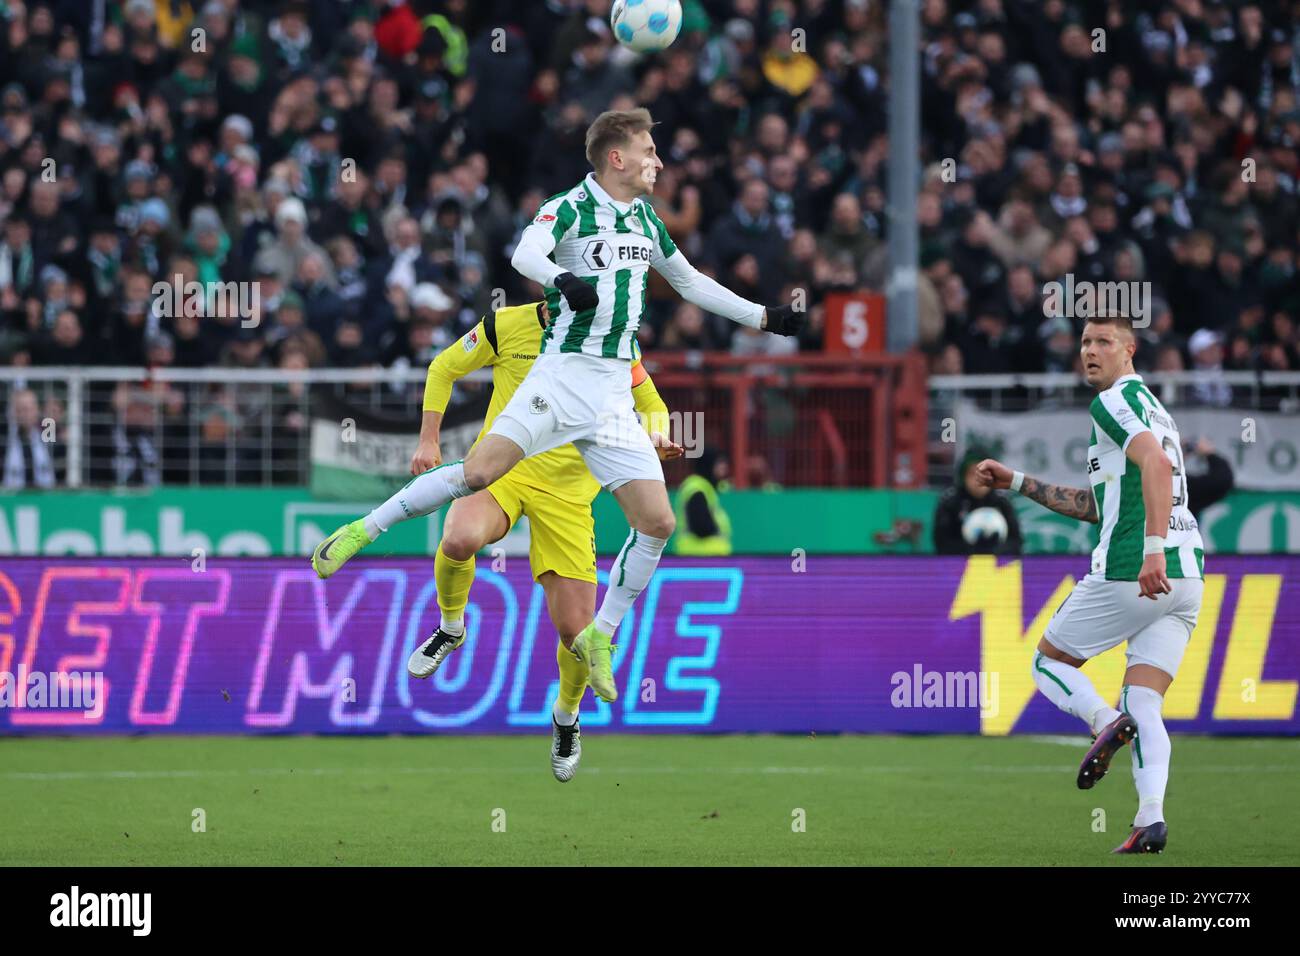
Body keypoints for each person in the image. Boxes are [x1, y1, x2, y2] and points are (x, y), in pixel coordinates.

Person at [312, 108, 804, 706]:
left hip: (610, 396)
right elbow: (525, 254)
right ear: (616, 158)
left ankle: (602, 634)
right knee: (477, 474)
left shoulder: (649, 219)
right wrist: (560, 280)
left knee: (659, 522)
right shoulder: (569, 207)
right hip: (561, 378)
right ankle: (366, 528)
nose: (660, 161)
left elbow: (692, 282)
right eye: (650, 150)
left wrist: (765, 317)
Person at [333, 299, 677, 782]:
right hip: (506, 472)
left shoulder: (612, 340)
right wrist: (429, 438)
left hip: (570, 497)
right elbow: (443, 366)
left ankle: (566, 717)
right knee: (458, 538)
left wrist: (658, 435)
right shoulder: (505, 324)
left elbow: (652, 404)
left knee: (577, 636)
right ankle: (451, 628)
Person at [972, 314, 1204, 855]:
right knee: (1146, 700)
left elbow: (1156, 469)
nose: (1090, 351)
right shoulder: (1155, 410)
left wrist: (1149, 550)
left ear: (1130, 351)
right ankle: (1151, 819)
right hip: (1187, 575)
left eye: (1103, 341)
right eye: (1084, 342)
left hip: (1134, 568)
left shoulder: (1114, 401)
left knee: (1048, 662)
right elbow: (1099, 506)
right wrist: (1019, 482)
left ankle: (1104, 720)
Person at [932, 447, 1022, 555]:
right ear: (963, 477)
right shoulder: (950, 502)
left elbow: (1016, 543)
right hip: (960, 567)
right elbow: (942, 544)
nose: (977, 480)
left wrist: (993, 550)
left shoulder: (1002, 502)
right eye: (971, 474)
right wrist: (973, 550)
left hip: (998, 567)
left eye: (983, 474)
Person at [673, 447, 733, 556]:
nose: (724, 467)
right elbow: (701, 526)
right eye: (719, 462)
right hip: (699, 557)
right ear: (709, 464)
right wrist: (715, 530)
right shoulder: (697, 489)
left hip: (704, 555)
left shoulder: (707, 487)